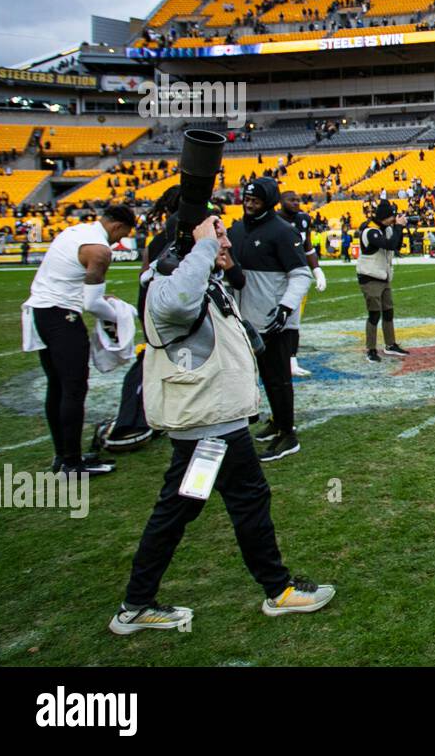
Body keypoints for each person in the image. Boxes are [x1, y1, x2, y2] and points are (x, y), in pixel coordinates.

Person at [111, 215, 335, 634]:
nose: (228, 243)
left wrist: (211, 257)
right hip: (210, 428)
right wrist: (202, 247)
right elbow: (175, 304)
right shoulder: (170, 284)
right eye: (219, 236)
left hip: (211, 424)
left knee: (181, 508)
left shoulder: (199, 280)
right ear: (193, 241)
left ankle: (137, 602)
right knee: (244, 501)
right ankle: (278, 590)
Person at [21, 205, 136, 475]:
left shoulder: (75, 231)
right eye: (121, 235)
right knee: (74, 388)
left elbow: (75, 283)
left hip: (41, 311)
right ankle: (72, 463)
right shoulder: (99, 249)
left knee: (57, 386)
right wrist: (124, 313)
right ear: (117, 227)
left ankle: (64, 456)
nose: (118, 241)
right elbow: (92, 303)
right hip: (61, 316)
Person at [228, 177, 311, 463]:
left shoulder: (282, 231)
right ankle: (277, 420)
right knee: (265, 376)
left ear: (269, 202)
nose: (249, 204)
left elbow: (301, 274)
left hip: (274, 319)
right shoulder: (237, 229)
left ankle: (288, 434)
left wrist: (286, 307)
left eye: (256, 200)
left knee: (278, 379)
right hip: (247, 317)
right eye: (247, 199)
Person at [277, 192, 327, 378]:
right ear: (281, 202)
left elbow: (307, 247)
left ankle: (292, 361)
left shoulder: (304, 219)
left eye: (298, 200)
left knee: (293, 322)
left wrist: (317, 270)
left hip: (296, 274)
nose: (296, 203)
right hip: (276, 275)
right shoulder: (274, 221)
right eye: (292, 200)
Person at [356, 199, 410, 362]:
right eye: (391, 217)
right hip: (370, 276)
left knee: (388, 311)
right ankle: (371, 349)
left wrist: (399, 229)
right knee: (374, 314)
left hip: (383, 275)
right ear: (384, 217)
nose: (393, 220)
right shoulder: (370, 231)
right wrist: (398, 227)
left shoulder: (385, 229)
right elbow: (388, 245)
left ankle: (390, 344)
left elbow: (396, 245)